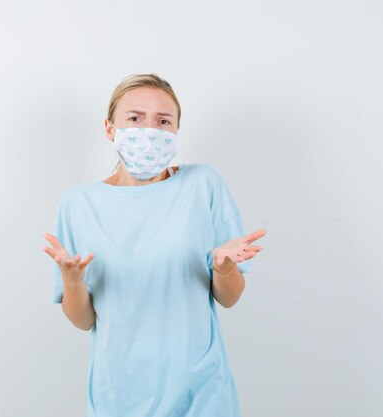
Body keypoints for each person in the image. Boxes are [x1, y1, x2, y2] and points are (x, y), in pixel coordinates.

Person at [42, 73, 266, 417]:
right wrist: (73, 283)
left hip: (202, 391)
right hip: (120, 394)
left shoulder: (202, 184)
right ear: (110, 128)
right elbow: (84, 320)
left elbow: (229, 297)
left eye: (163, 122)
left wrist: (224, 268)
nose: (150, 131)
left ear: (176, 131)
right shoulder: (78, 203)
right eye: (135, 118)